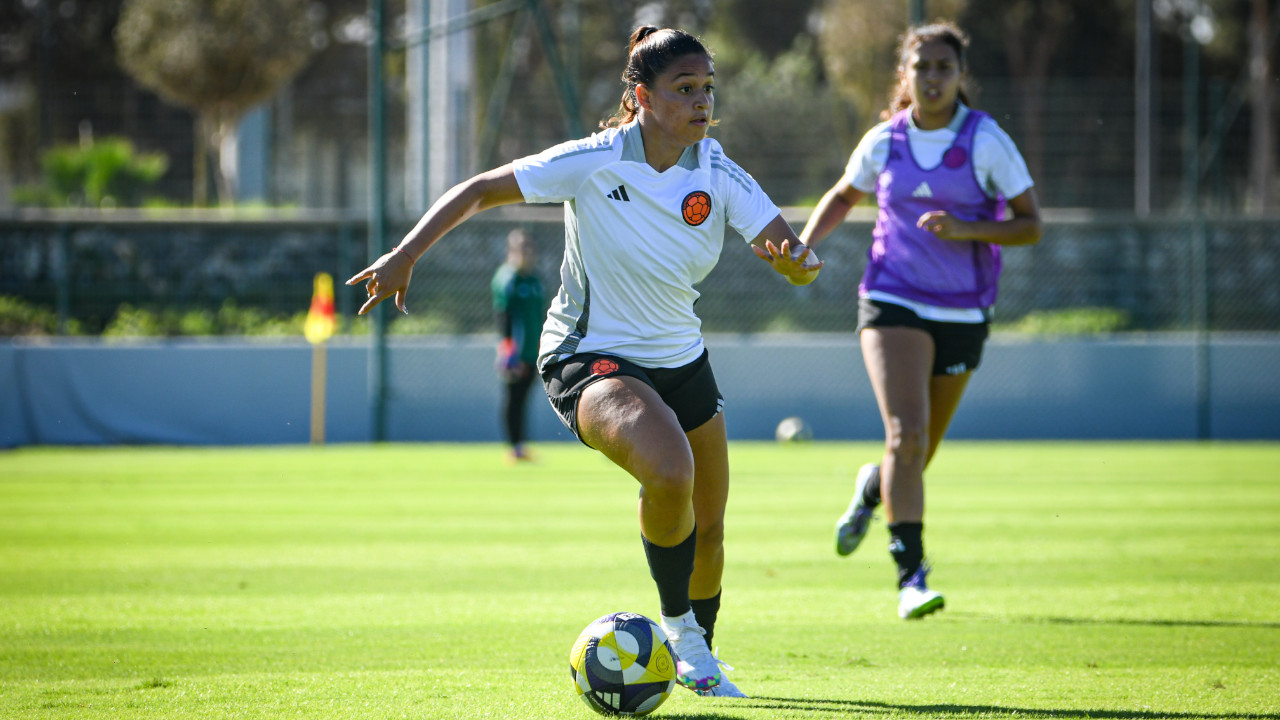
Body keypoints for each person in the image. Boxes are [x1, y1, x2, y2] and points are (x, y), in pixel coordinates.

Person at [347, 26, 821, 697]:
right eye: (685, 89)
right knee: (668, 469)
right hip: (587, 357)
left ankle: (699, 654)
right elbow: (481, 188)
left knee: (709, 530)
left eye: (708, 89)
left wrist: (796, 269)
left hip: (683, 360)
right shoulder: (596, 159)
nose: (701, 102)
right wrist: (405, 256)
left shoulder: (719, 172)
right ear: (642, 97)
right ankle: (680, 633)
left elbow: (788, 251)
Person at [798, 21, 1042, 620]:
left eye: (944, 67)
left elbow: (1030, 224)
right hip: (892, 299)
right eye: (922, 67)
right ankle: (912, 577)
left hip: (963, 309)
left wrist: (967, 228)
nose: (932, 78)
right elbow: (842, 196)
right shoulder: (885, 140)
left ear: (961, 76)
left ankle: (871, 490)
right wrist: (802, 246)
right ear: (904, 76)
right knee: (906, 436)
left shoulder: (986, 142)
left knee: (917, 451)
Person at [491, 228, 546, 463]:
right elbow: (504, 317)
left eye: (529, 248)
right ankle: (514, 447)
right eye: (520, 249)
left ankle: (520, 446)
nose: (526, 254)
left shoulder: (535, 280)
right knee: (514, 398)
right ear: (510, 252)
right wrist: (508, 351)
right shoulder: (508, 279)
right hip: (516, 352)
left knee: (523, 398)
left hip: (535, 351)